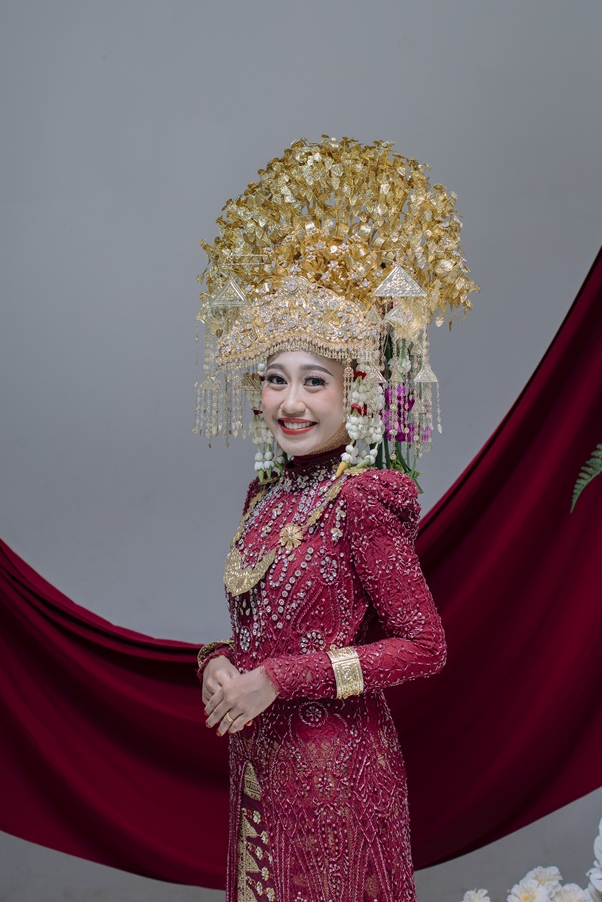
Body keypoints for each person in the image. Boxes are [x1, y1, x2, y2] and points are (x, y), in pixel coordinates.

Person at [193, 137, 476, 902]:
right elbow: (264, 632)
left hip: (337, 773)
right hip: (261, 764)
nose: (290, 403)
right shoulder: (265, 494)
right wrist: (216, 663)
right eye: (274, 379)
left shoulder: (359, 500)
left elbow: (423, 646)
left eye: (313, 381)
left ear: (356, 389)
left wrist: (277, 680)